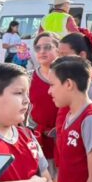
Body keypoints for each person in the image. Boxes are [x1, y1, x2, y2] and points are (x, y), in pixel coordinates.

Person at [28, 31, 62, 164]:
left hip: (64, 139)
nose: (42, 51)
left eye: (47, 47)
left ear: (58, 50)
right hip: (39, 141)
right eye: (38, 48)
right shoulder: (28, 78)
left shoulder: (68, 77)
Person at [58, 30, 92, 109]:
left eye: (64, 55)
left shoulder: (89, 82)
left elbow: (86, 112)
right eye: (59, 54)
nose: (59, 59)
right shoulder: (76, 77)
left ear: (82, 55)